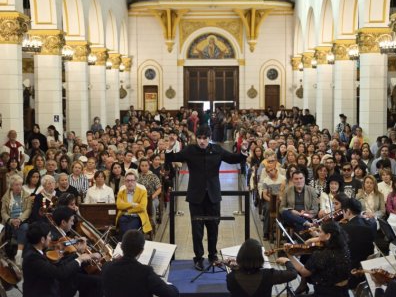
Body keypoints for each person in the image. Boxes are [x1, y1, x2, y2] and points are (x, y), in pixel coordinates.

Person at [165, 125, 247, 271]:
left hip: (213, 195)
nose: (202, 141)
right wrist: (171, 147)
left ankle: (213, 255)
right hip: (196, 196)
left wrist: (244, 151)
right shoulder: (190, 150)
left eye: (205, 138)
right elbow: (173, 158)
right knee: (197, 229)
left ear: (209, 138)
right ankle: (198, 258)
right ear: (196, 138)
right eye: (199, 138)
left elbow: (234, 159)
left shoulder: (217, 150)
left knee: (213, 227)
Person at [22, 221, 94, 297]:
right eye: (49, 236)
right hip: (43, 293)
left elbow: (58, 265)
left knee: (91, 282)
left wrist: (77, 254)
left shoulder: (36, 250)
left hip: (49, 288)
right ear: (42, 239)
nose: (51, 238)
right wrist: (80, 259)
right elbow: (59, 273)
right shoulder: (33, 258)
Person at [102, 230, 178, 297]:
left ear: (121, 247)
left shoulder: (107, 267)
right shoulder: (145, 272)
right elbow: (170, 294)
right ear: (141, 251)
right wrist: (171, 287)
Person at [286, 221, 351, 297]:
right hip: (344, 293)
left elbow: (303, 272)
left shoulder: (321, 255)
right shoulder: (344, 248)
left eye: (320, 232)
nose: (318, 234)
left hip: (325, 294)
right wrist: (314, 239)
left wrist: (289, 255)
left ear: (328, 236)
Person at [226, 238, 297, 297]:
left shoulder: (230, 277)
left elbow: (244, 279)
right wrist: (287, 261)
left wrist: (236, 268)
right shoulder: (269, 275)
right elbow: (293, 273)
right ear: (260, 257)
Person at [340, 198, 375, 289]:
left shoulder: (346, 228)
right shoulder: (372, 223)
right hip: (366, 265)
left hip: (352, 268)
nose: (342, 214)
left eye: (343, 211)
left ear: (348, 211)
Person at [1, 175, 32, 266]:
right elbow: (3, 213)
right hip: (10, 222)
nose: (19, 187)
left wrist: (19, 219)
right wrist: (11, 220)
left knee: (24, 227)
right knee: (24, 230)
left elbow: (28, 210)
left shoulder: (26, 195)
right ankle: (20, 256)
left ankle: (18, 254)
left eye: (20, 184)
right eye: (16, 185)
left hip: (23, 220)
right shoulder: (6, 197)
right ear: (11, 186)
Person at [116, 169, 152, 239]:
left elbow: (142, 207)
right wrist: (132, 204)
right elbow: (119, 205)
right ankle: (124, 246)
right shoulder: (121, 192)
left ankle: (127, 246)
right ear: (125, 182)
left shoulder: (142, 192)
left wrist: (127, 209)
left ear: (135, 181)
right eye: (128, 181)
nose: (130, 183)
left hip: (137, 216)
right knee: (123, 229)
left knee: (129, 231)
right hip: (124, 216)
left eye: (132, 180)